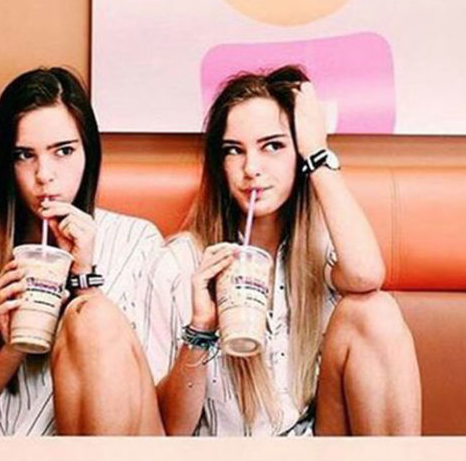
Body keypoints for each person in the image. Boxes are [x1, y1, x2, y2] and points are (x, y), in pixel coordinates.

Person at [144, 65, 421, 436]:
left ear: (298, 155)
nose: (251, 168)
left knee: (375, 311)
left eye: (273, 146)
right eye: (233, 151)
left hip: (315, 449)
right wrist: (201, 330)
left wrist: (318, 153)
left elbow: (366, 275)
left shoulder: (321, 248)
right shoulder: (179, 263)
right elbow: (168, 431)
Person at [0, 67, 164, 435]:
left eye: (64, 151)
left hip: (106, 452)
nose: (44, 175)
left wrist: (84, 282)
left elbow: (155, 409)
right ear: (5, 165)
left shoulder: (138, 243)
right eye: (24, 155)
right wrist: (12, 349)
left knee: (94, 316)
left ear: (89, 153)